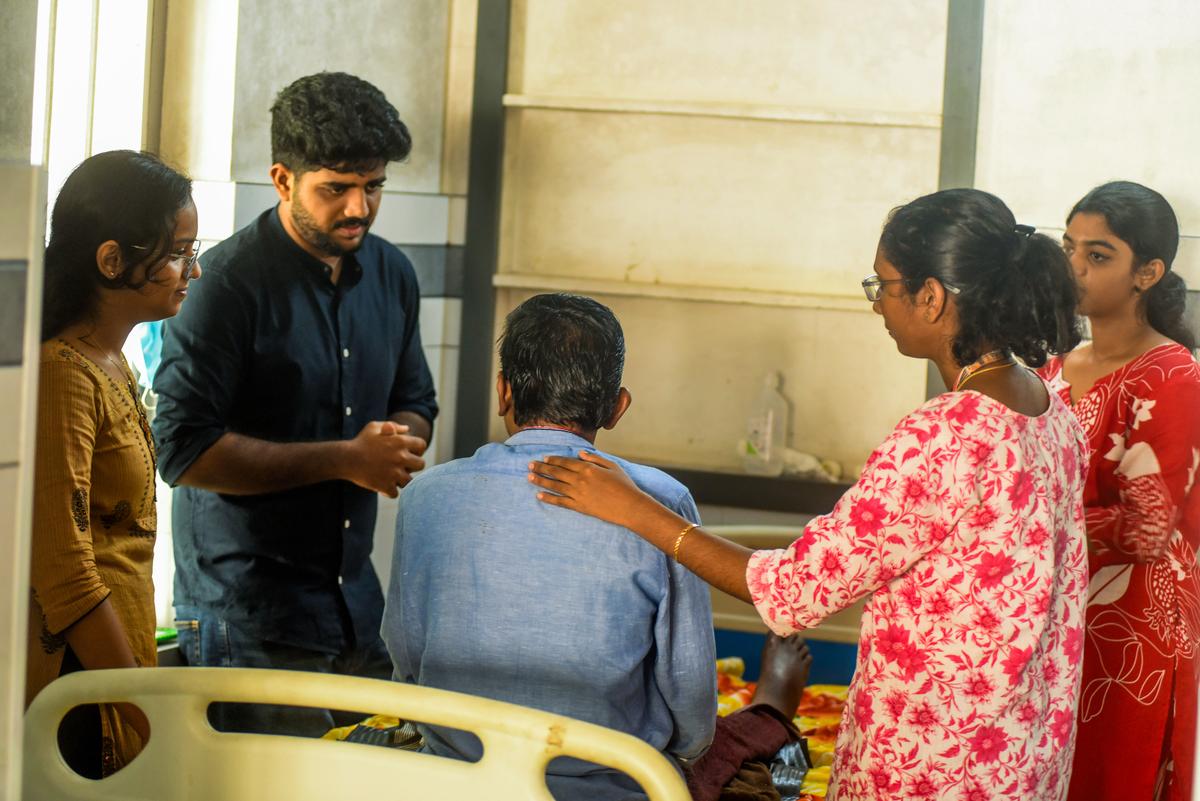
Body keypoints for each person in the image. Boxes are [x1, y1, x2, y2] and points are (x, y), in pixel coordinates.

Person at [529, 189, 1091, 801]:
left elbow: (793, 591)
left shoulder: (946, 434)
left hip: (938, 762)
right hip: (1022, 750)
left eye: (883, 286)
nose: (877, 305)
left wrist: (637, 511)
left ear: (931, 297)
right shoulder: (1049, 409)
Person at [152, 72, 437, 736]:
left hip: (355, 603)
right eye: (336, 189)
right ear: (283, 180)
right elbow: (182, 449)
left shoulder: (392, 274)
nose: (359, 207)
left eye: (373, 186)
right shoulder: (225, 284)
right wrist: (346, 459)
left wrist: (396, 444)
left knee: (380, 774)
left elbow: (416, 398)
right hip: (246, 613)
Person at [383, 293, 717, 800]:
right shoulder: (660, 502)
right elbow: (690, 696)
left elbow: (406, 661)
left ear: (503, 391)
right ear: (617, 408)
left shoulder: (426, 496)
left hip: (453, 784)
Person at [29, 150, 197, 776]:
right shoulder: (62, 372)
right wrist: (145, 716)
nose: (193, 270)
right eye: (178, 252)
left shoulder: (109, 359)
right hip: (80, 684)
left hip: (117, 673)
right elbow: (65, 571)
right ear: (111, 260)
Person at [1039, 181, 1200, 801]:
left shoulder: (1173, 375)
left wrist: (1020, 533)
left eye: (1098, 255)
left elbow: (1146, 527)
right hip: (1054, 615)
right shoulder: (1052, 370)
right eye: (1069, 247)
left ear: (1147, 273)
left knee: (1112, 779)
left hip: (1134, 630)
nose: (1074, 267)